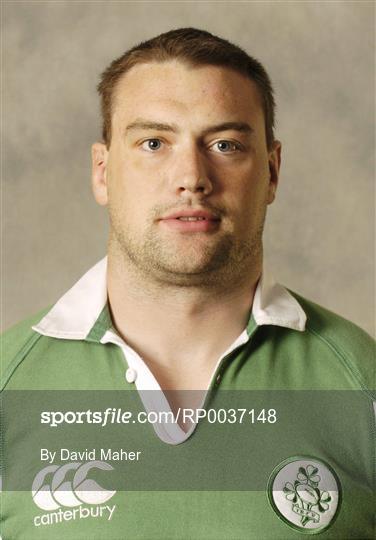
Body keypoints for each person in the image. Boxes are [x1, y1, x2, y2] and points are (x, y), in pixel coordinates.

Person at [1, 28, 374, 540]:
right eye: (153, 143)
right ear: (103, 172)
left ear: (271, 172)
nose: (192, 177)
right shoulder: (8, 388)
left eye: (225, 144)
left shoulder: (362, 384)